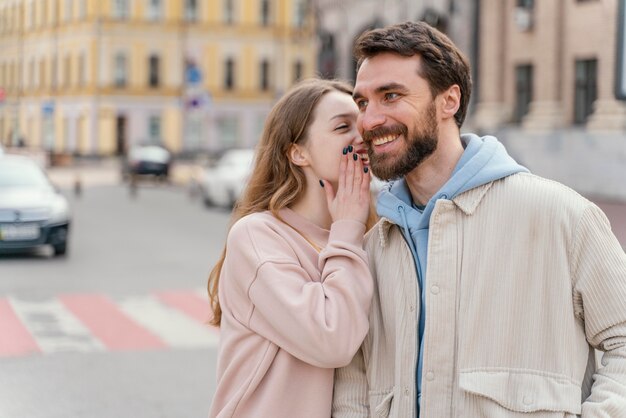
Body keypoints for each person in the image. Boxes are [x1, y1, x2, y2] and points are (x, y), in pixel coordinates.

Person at [332, 21, 626, 417]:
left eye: (391, 96)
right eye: (364, 102)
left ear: (448, 101)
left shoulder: (562, 217)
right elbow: (354, 380)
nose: (368, 121)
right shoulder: (373, 248)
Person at [207, 78, 376, 418]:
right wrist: (347, 229)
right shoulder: (257, 236)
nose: (361, 136)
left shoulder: (366, 238)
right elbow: (332, 341)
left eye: (362, 123)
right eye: (343, 126)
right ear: (297, 152)